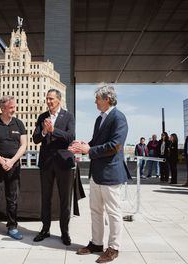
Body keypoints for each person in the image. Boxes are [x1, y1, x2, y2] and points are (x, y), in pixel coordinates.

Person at [69, 85, 128, 263]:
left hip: (111, 174)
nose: (95, 101)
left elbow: (115, 146)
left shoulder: (119, 118)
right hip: (97, 173)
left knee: (113, 213)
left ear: (107, 99)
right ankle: (96, 243)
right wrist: (82, 145)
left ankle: (114, 247)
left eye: (97, 98)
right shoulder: (99, 119)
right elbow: (95, 142)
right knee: (96, 211)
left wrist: (89, 150)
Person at [32, 88, 75, 246]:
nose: (48, 101)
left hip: (64, 163)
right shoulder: (42, 117)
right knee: (46, 198)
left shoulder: (68, 116)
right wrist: (43, 131)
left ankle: (65, 232)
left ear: (59, 100)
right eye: (47, 98)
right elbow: (36, 139)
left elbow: (71, 137)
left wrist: (53, 131)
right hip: (46, 163)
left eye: (51, 99)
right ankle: (45, 229)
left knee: (65, 200)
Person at [0, 95, 27, 244]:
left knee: (12, 198)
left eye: (14, 106)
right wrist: (2, 161)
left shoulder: (19, 124)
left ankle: (12, 227)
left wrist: (12, 161)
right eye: (11, 107)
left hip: (14, 166)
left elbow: (24, 145)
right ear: (2, 108)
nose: (14, 109)